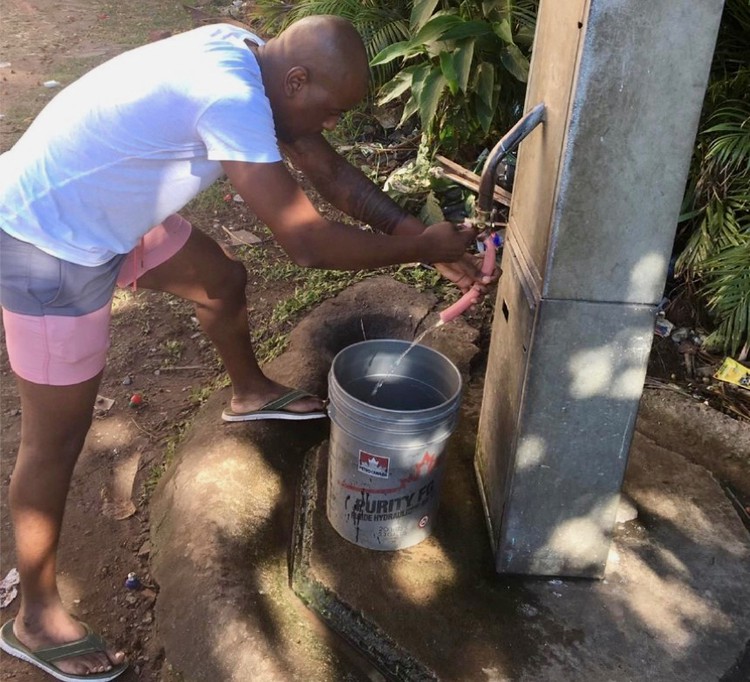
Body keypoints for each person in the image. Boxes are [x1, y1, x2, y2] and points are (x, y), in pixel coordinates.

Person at [0, 15, 496, 681]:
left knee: (222, 280)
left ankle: (250, 391)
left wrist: (418, 237)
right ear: (296, 80)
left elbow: (327, 170)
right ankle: (34, 616)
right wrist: (417, 247)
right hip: (47, 241)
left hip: (112, 210)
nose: (333, 124)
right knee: (54, 440)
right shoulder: (231, 97)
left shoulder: (248, 50)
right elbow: (306, 241)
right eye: (332, 108)